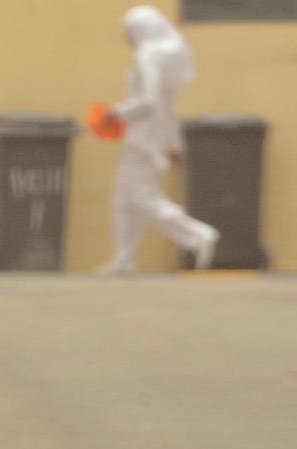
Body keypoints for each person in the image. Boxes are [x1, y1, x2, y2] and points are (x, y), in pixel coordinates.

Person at [96, 5, 219, 276]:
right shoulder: (159, 58)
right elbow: (167, 106)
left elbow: (149, 102)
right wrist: (175, 145)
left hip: (142, 141)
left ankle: (197, 235)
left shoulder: (147, 57)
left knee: (143, 198)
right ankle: (124, 259)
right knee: (124, 200)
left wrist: (115, 113)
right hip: (148, 139)